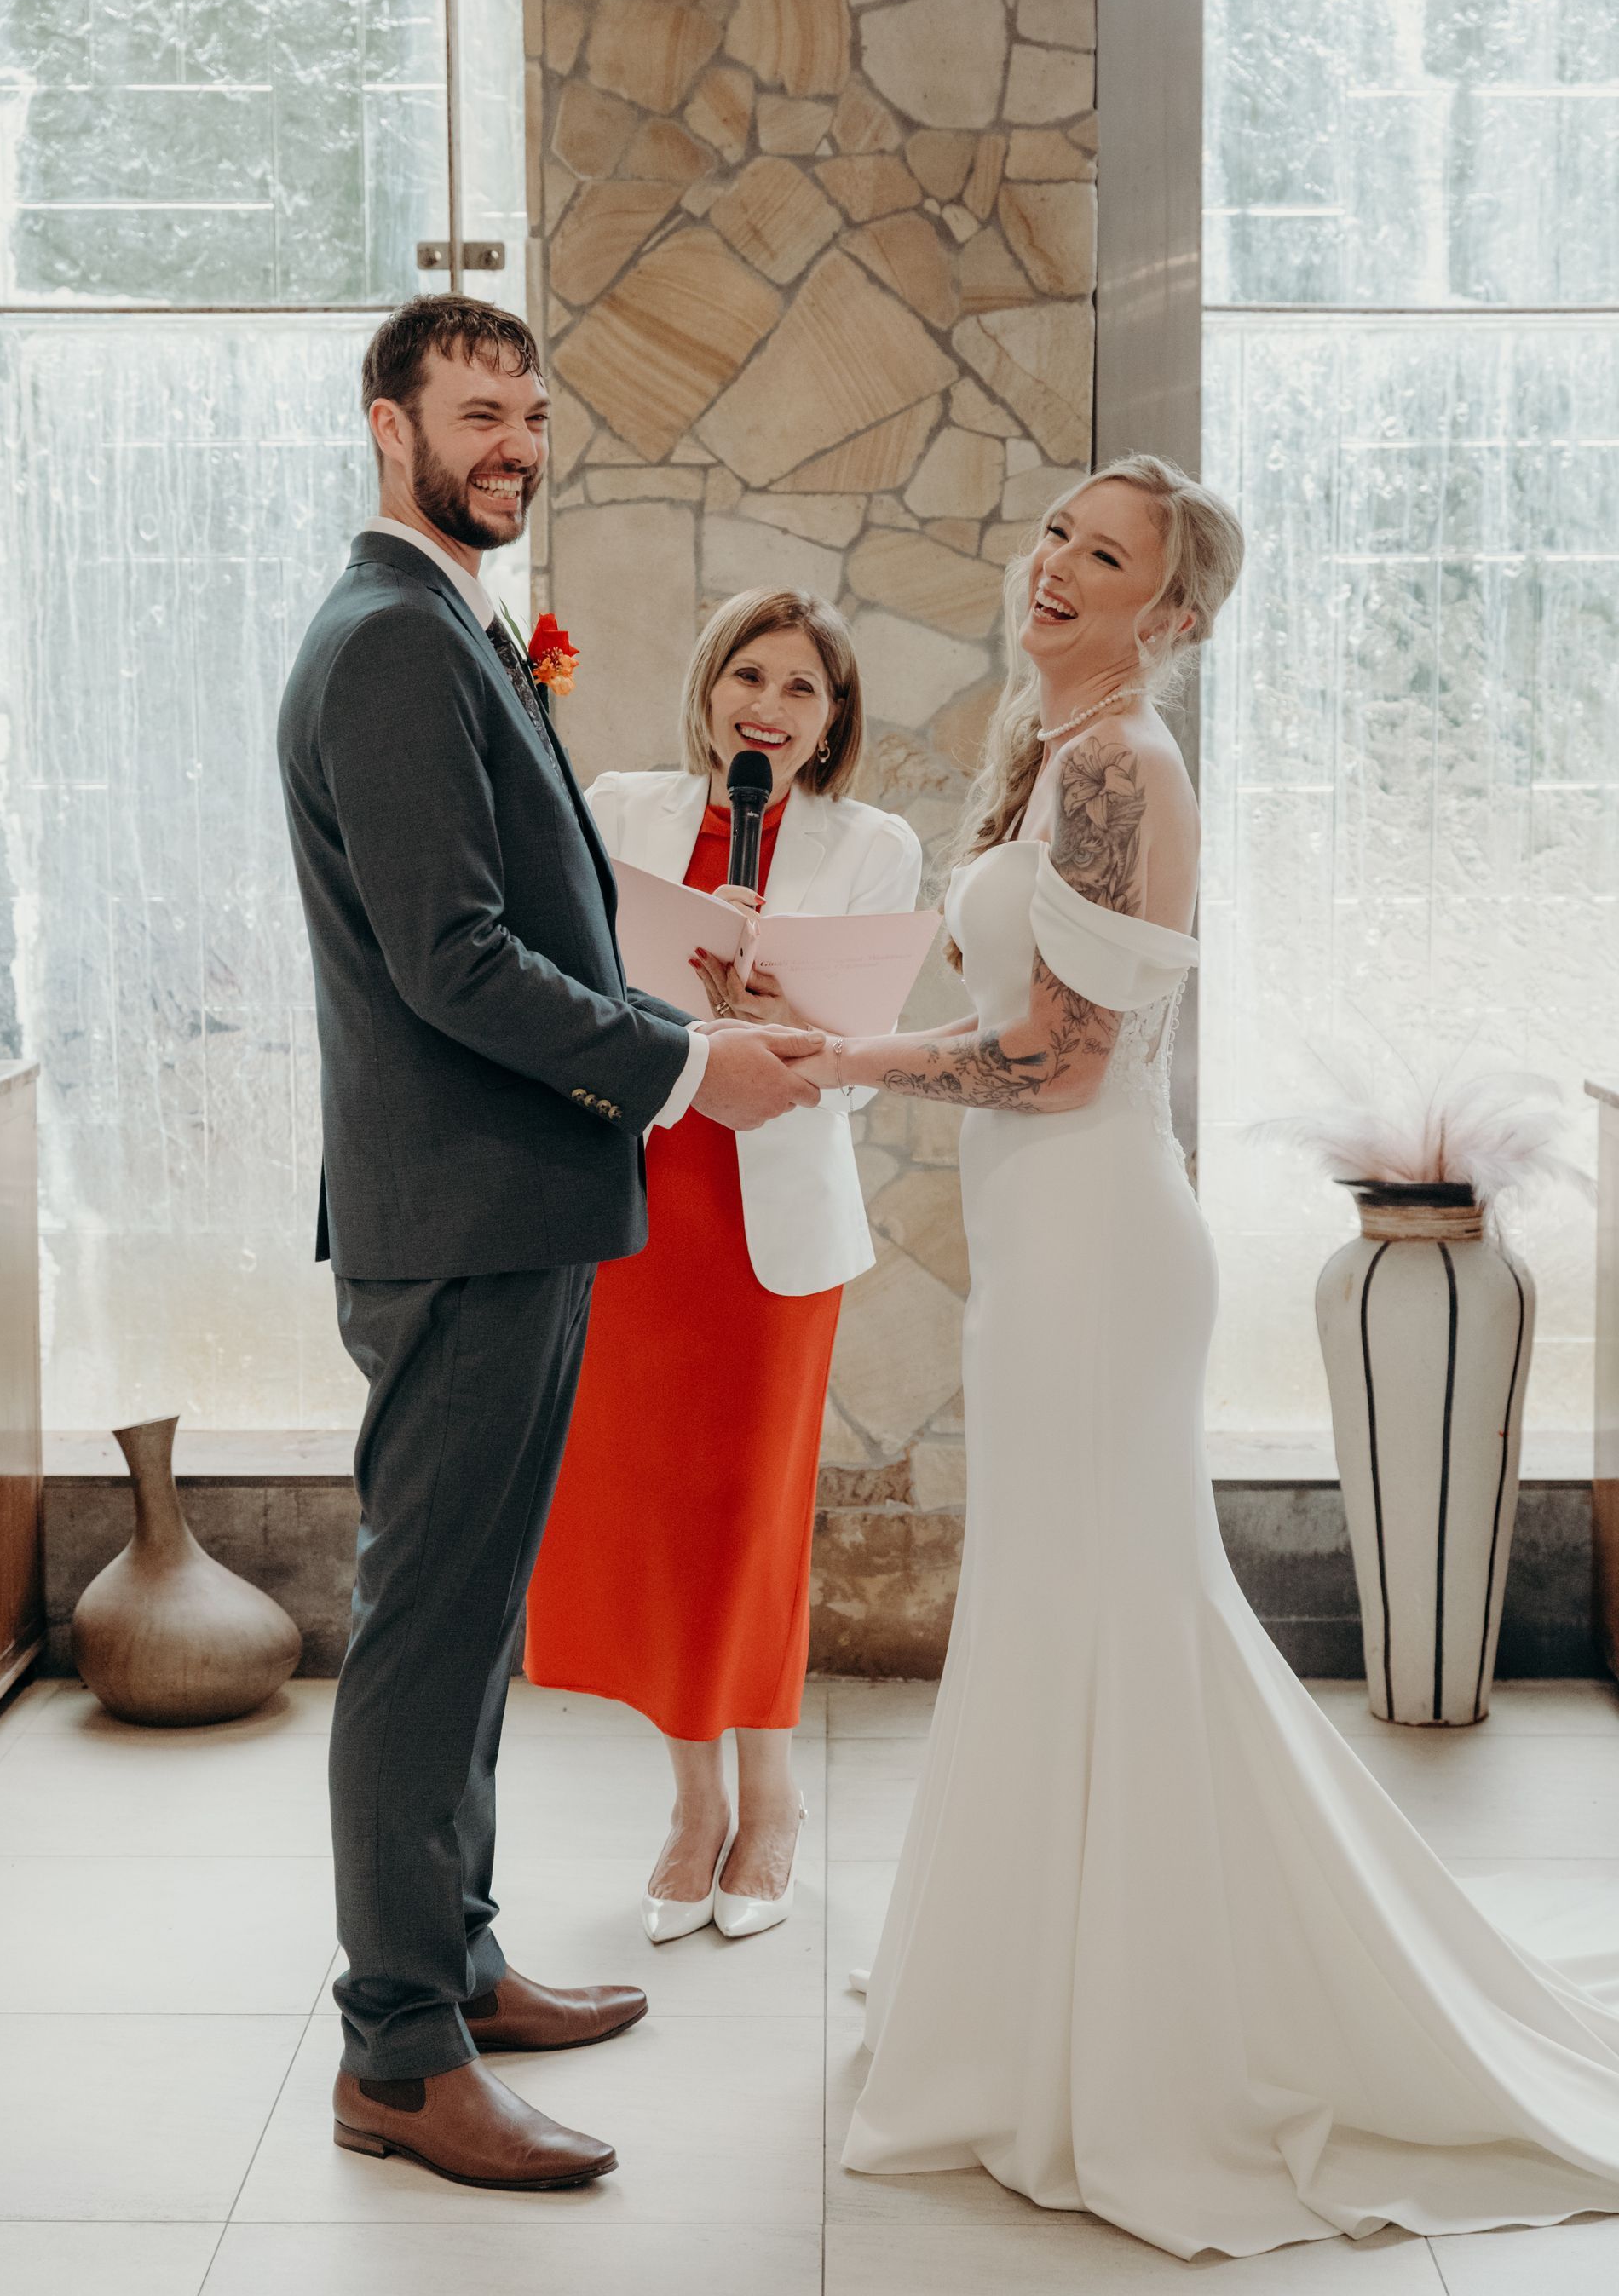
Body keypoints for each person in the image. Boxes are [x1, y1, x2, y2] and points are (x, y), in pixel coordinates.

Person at [802, 454, 1619, 2259]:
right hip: (1048, 1241)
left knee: (1109, 1613)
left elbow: (1069, 1060)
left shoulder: (1116, 767)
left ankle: (1132, 2031)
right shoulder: (1047, 747)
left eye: (1104, 554)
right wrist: (840, 1021)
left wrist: (853, 1072)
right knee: (1053, 1608)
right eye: (1054, 533)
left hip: (1095, 1245)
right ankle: (1034, 1991)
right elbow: (1013, 1017)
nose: (1055, 564)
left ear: (1171, 615)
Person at [275, 296, 821, 2194]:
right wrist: (686, 1066)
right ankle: (397, 2052)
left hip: (511, 1203)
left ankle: (462, 1957)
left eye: (530, 411)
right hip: (462, 1216)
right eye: (473, 412)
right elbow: (452, 964)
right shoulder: (389, 645)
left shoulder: (451, 625)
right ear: (384, 424)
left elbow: (535, 925)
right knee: (429, 1633)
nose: (512, 440)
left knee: (476, 1619)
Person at [524, 590, 924, 1943]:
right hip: (635, 1205)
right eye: (749, 675)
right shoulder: (620, 809)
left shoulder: (873, 847)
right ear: (708, 694)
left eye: (802, 687)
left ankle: (776, 1803)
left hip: (771, 1226)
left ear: (831, 722)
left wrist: (787, 1022)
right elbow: (564, 989)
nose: (769, 703)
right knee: (656, 1511)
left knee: (753, 1512)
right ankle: (693, 1812)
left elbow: (859, 1076)